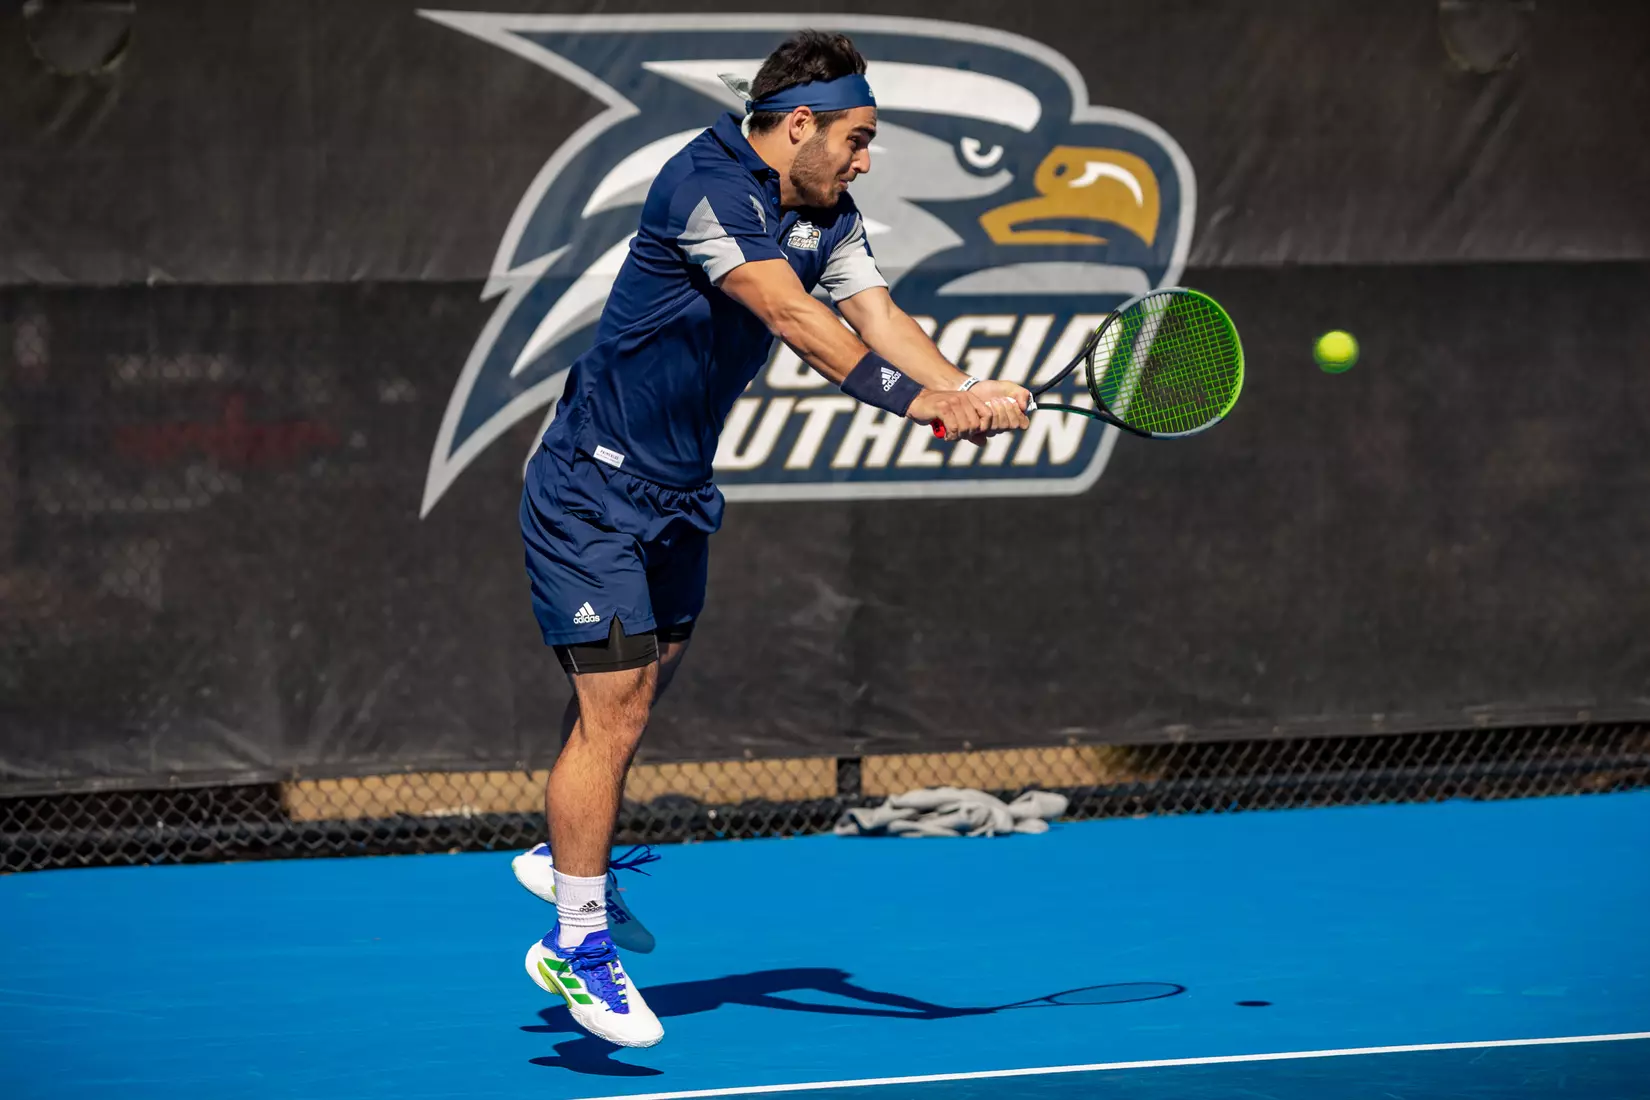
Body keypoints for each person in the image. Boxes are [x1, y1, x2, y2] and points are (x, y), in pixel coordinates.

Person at [514, 29, 1031, 1048]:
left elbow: (875, 314)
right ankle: (577, 943)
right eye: (858, 137)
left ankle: (563, 854)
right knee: (611, 714)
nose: (865, 159)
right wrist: (928, 407)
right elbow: (797, 320)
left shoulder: (827, 211)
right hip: (590, 490)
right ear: (799, 123)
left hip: (678, 495)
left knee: (636, 689)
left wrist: (965, 387)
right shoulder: (704, 190)